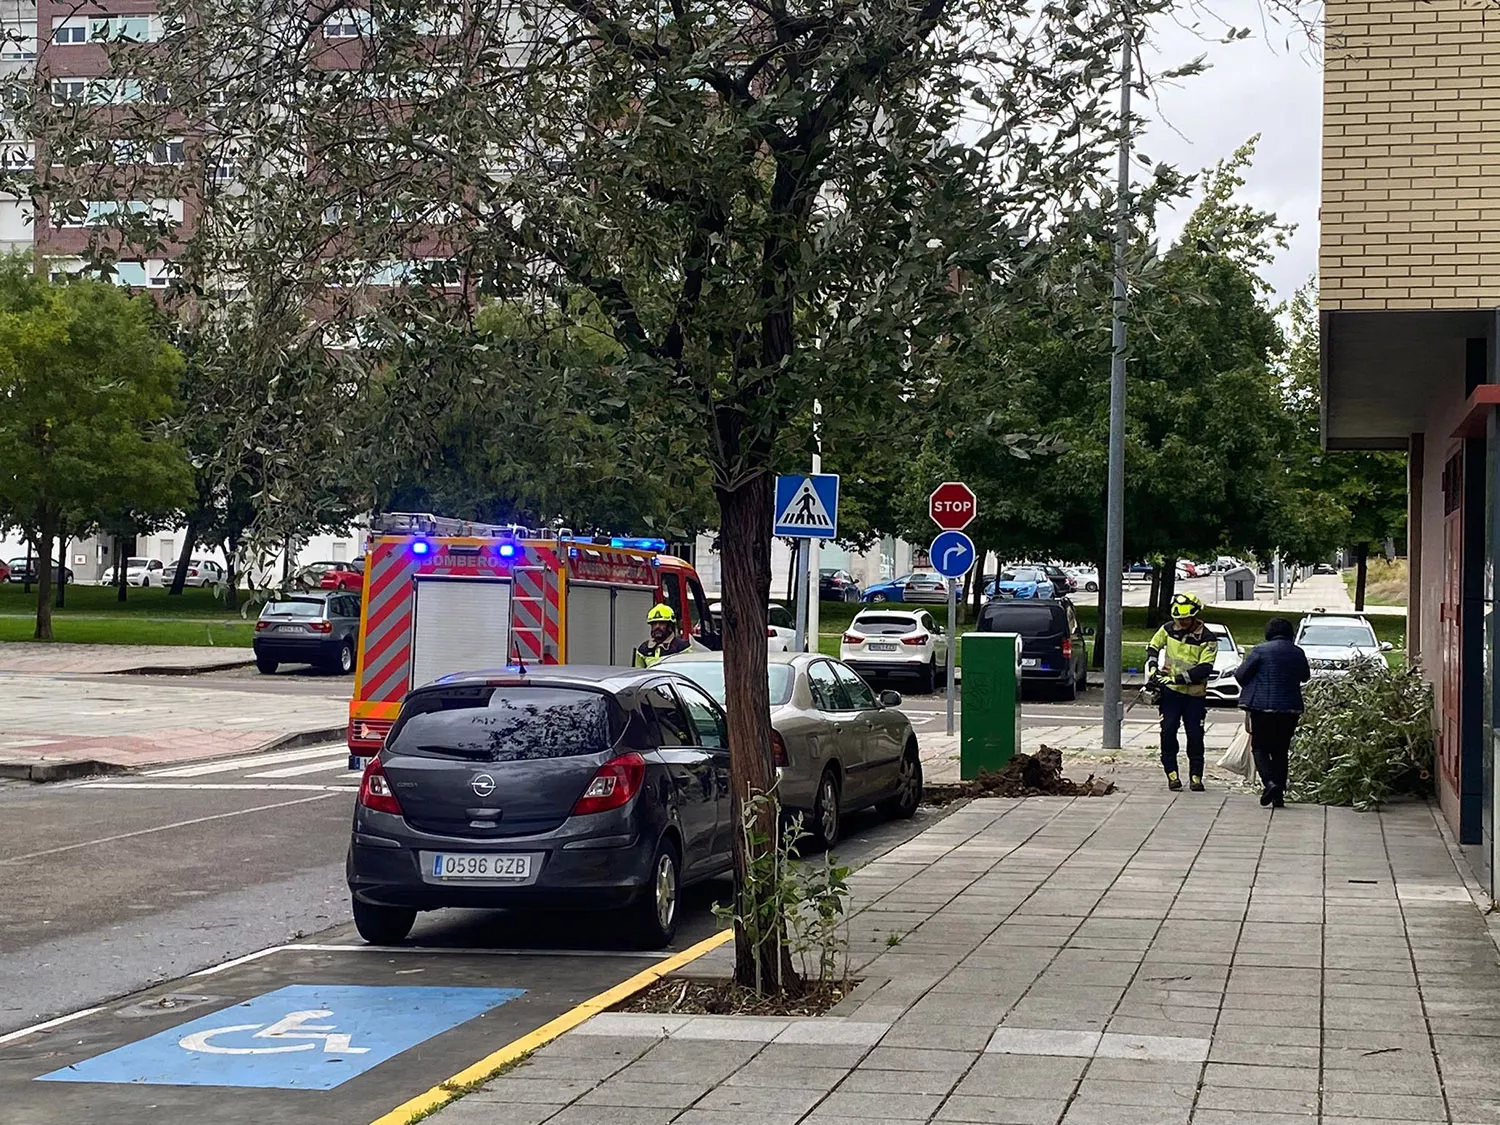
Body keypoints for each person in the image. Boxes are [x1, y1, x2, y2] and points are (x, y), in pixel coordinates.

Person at [1232, 617, 1310, 808]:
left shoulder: (1259, 650)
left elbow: (1241, 675)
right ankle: (1278, 795)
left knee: (1260, 748)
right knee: (1281, 751)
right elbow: (1305, 676)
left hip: (1262, 707)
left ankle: (1270, 783)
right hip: (1290, 708)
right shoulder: (1297, 652)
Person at [1145, 592, 1218, 792]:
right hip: (1170, 694)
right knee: (1168, 731)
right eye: (1178, 619)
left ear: (1194, 616)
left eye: (1185, 619)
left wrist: (1177, 678)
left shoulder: (1208, 639)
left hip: (1194, 695)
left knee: (1195, 735)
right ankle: (1172, 774)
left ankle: (1196, 776)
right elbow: (1153, 647)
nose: (1181, 623)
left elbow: (1204, 668)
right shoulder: (1168, 629)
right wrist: (1152, 668)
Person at [634, 603, 691, 668]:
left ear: (670, 625)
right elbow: (639, 674)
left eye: (662, 623)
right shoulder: (643, 650)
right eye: (654, 623)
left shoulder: (682, 648)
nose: (657, 627)